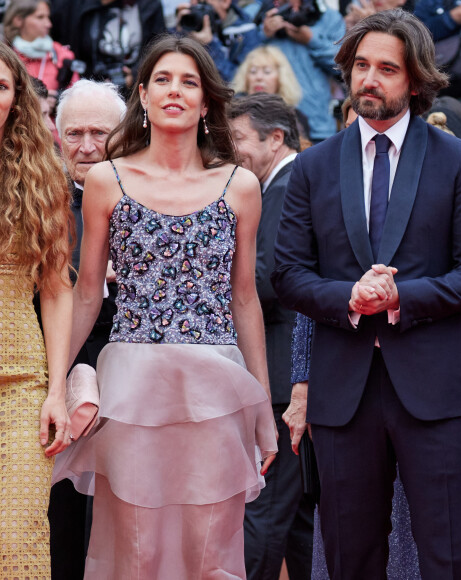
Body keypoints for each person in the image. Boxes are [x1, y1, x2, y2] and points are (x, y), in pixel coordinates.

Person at [272, 9, 461, 579]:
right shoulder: (313, 166)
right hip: (342, 391)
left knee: (448, 557)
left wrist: (402, 298)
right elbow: (288, 274)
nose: (368, 79)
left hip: (436, 391)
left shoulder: (459, 160)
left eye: (386, 69)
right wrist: (349, 296)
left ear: (416, 80)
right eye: (360, 66)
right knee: (351, 559)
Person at [51, 34, 277, 578]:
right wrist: (56, 384)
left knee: (211, 537)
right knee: (132, 536)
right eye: (163, 80)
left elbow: (244, 297)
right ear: (144, 96)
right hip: (132, 384)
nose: (175, 91)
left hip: (216, 383)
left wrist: (262, 406)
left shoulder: (240, 185)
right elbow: (86, 293)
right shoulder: (108, 179)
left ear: (206, 102)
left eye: (189, 81)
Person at [228, 93, 314, 580]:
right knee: (299, 516)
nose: (230, 149)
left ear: (275, 137)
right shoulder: (284, 185)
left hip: (284, 379)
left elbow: (265, 279)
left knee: (264, 510)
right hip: (290, 374)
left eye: (237, 138)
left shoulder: (287, 187)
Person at [0, 41, 73, 578]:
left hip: (23, 383)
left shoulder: (40, 176)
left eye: (2, 86)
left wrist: (57, 390)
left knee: (20, 536)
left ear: (16, 97)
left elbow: (56, 289)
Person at [48, 79, 126, 580]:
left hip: (129, 368)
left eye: (100, 132)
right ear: (58, 138)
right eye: (74, 133)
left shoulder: (149, 196)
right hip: (54, 370)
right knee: (60, 513)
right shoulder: (43, 198)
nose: (87, 146)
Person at [258, 0, 345, 142]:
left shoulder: (329, 17)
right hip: (272, 125)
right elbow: (245, 66)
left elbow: (342, 65)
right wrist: (264, 35)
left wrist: (311, 40)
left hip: (318, 124)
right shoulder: (265, 14)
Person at [49, 0, 166, 97]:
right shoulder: (73, 5)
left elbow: (158, 48)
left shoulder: (149, 5)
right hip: (86, 88)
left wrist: (136, 74)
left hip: (134, 91)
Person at [3, 0, 80, 100]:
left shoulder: (62, 55)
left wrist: (58, 100)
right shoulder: (4, 56)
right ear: (18, 20)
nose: (48, 24)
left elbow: (75, 96)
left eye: (48, 17)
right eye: (40, 17)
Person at [231, 45, 310, 142]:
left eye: (267, 72)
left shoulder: (297, 118)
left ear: (281, 78)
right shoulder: (233, 114)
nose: (259, 77)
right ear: (245, 78)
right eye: (253, 71)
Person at [174, 0, 261, 83]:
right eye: (194, 1)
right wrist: (180, 31)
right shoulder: (189, 26)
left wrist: (210, 45)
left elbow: (237, 80)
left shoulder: (247, 33)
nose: (197, 5)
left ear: (225, 2)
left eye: (203, 2)